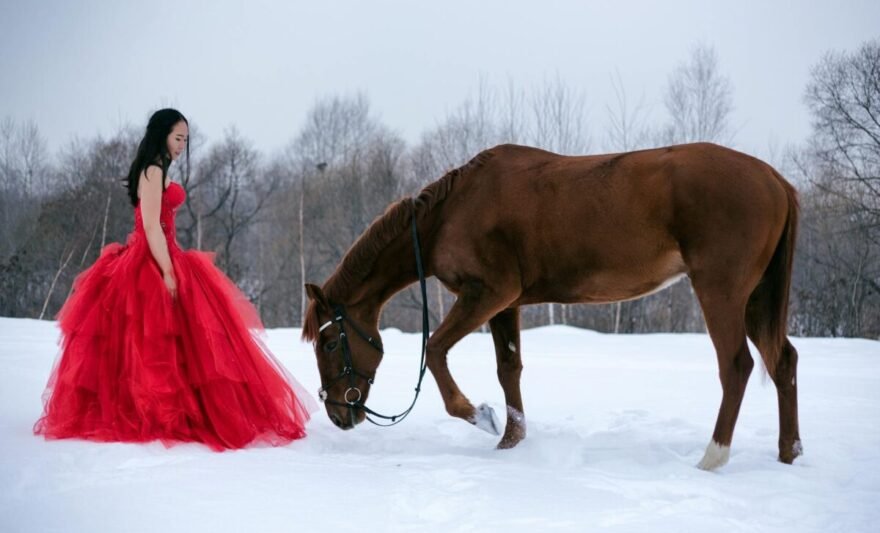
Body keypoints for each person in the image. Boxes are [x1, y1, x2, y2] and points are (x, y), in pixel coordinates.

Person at [34, 109, 314, 450]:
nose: (182, 145)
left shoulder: (159, 168)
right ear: (162, 134)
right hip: (150, 257)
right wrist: (167, 270)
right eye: (177, 138)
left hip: (166, 252)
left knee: (183, 338)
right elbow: (151, 225)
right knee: (148, 339)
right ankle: (149, 409)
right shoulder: (152, 170)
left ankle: (180, 408)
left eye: (186, 139)